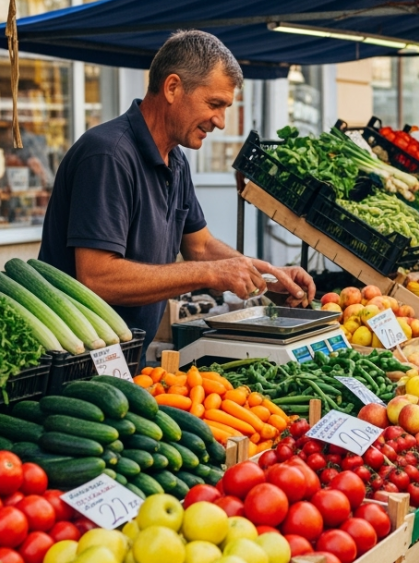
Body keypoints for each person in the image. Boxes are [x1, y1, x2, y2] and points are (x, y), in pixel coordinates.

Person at [38, 31, 315, 348]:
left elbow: (200, 246)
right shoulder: (108, 155)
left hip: (126, 355)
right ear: (172, 88)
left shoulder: (175, 160)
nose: (221, 122)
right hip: (78, 363)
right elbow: (98, 277)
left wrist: (266, 276)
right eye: (215, 104)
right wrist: (210, 274)